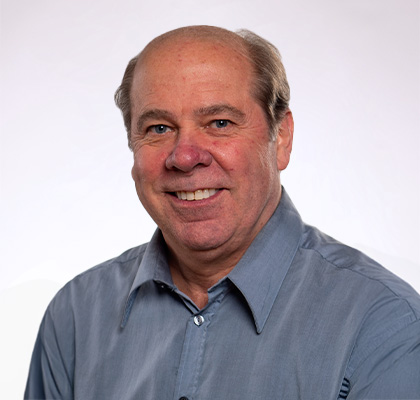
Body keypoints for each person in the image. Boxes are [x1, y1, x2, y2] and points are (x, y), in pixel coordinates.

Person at [24, 25, 420, 400]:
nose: (185, 157)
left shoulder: (383, 325)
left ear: (280, 138)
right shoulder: (74, 316)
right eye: (159, 128)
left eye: (219, 122)